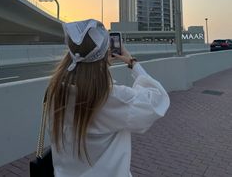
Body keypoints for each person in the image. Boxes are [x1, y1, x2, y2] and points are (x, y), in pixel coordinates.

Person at [47, 19, 170, 177]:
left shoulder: (56, 91)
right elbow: (157, 100)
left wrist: (99, 60)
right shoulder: (113, 98)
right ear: (105, 54)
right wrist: (133, 63)